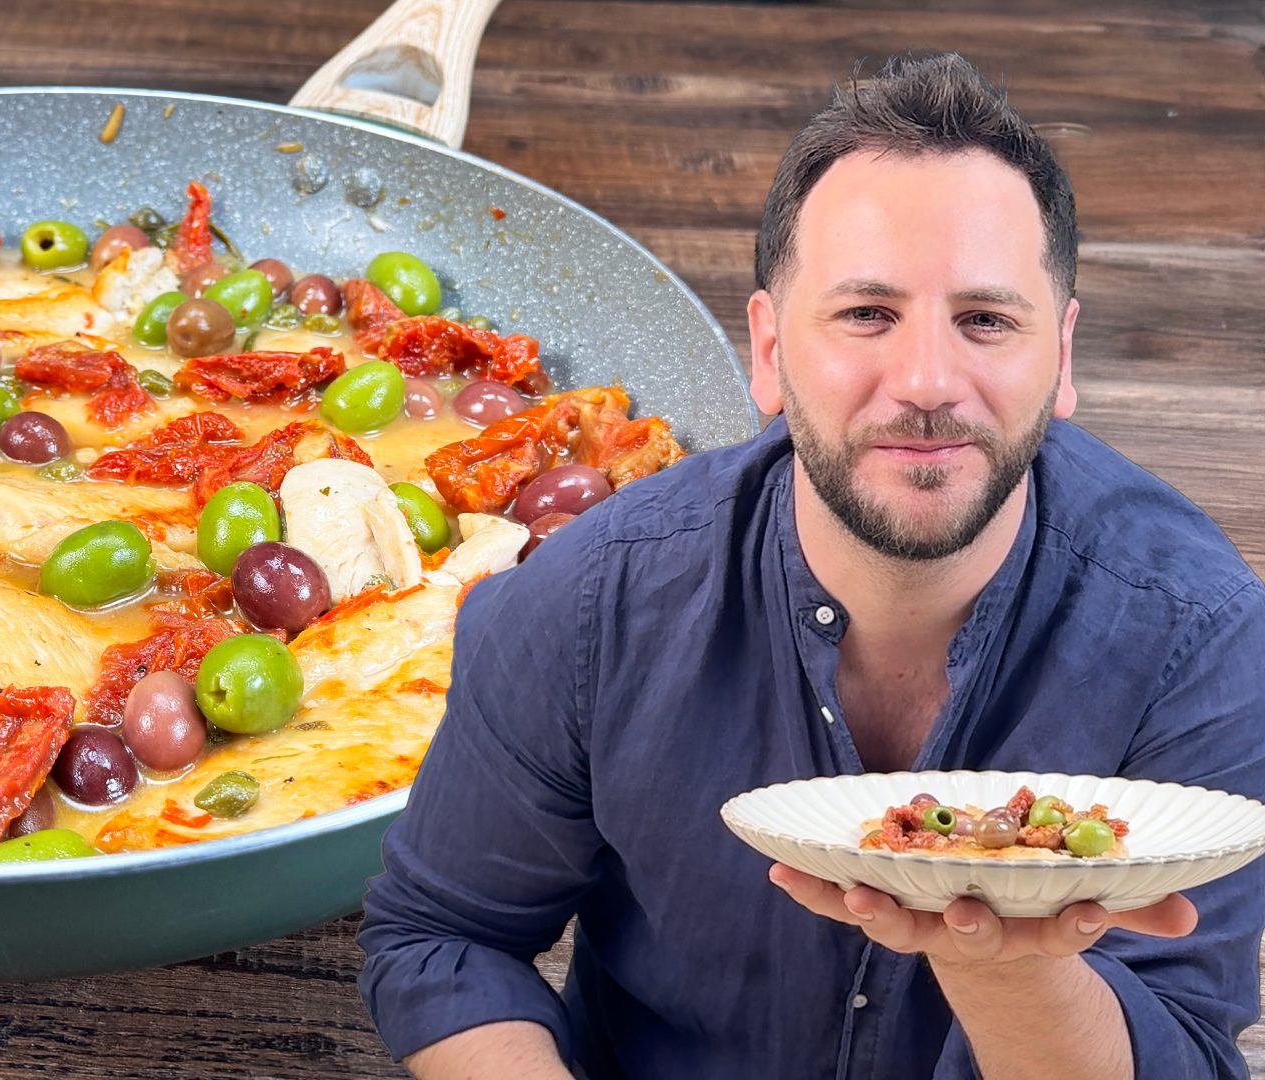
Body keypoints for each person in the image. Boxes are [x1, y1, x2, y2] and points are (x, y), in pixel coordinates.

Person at [356, 51, 1265, 1080]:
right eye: (866, 314)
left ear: (1061, 357)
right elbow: (443, 940)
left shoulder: (1203, 636)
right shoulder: (583, 605)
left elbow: (1188, 1057)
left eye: (986, 320)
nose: (926, 381)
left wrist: (1007, 959)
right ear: (770, 350)